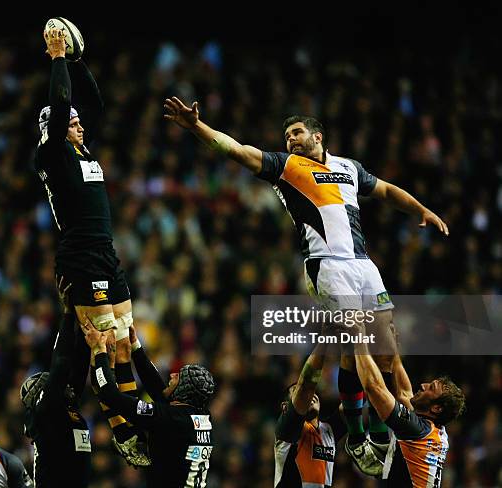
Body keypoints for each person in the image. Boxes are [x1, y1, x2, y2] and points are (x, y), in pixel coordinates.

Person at [163, 97, 449, 475]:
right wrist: (197, 127)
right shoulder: (287, 167)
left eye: (297, 132)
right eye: (286, 135)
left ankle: (374, 434)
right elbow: (237, 151)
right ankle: (362, 437)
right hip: (327, 266)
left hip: (364, 264)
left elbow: (385, 190)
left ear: (318, 136)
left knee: (386, 349)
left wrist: (421, 210)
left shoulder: (348, 167)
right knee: (356, 342)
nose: (291, 139)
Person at [34, 27, 147, 465]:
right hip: (81, 256)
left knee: (124, 340)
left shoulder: (82, 152)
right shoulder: (52, 156)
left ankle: (130, 423)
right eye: (73, 123)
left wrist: (78, 62)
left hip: (106, 252)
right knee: (101, 339)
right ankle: (123, 431)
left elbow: (93, 105)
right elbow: (62, 107)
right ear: (57, 129)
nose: (82, 125)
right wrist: (58, 58)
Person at [81, 321, 215, 488]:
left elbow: (109, 394)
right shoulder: (202, 418)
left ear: (184, 390)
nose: (172, 375)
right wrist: (136, 347)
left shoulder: (171, 418)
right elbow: (159, 390)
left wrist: (99, 351)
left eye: (178, 377)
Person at [349, 321, 466, 487]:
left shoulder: (416, 430)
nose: (423, 385)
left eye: (430, 388)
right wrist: (394, 348)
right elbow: (404, 394)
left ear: (436, 408)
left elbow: (374, 387)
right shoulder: (433, 431)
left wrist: (358, 340)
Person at [19, 276, 91, 488]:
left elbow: (80, 366)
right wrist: (69, 314)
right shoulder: (46, 409)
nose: (66, 384)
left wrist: (87, 327)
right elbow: (61, 363)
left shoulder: (66, 407)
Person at [274, 341, 346, 488]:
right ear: (285, 407)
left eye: (313, 392)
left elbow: (355, 398)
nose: (310, 394)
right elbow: (307, 383)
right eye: (296, 391)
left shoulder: (328, 430)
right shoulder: (286, 430)